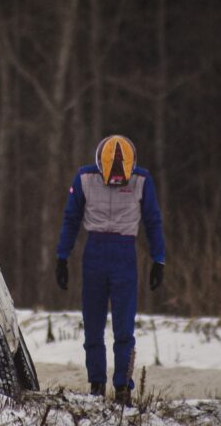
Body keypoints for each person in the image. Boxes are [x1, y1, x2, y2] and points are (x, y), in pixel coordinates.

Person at [55, 135, 165, 406]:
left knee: (124, 327)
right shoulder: (84, 178)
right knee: (92, 324)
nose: (116, 181)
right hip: (94, 254)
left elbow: (153, 220)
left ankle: (124, 388)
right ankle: (96, 384)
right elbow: (71, 219)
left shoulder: (142, 180)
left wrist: (158, 259)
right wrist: (62, 257)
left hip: (125, 256)